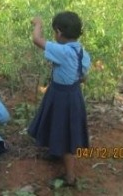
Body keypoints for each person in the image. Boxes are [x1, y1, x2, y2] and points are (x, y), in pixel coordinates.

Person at [28, 11, 91, 187]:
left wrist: (38, 24)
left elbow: (36, 40)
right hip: (73, 94)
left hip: (61, 96)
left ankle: (70, 177)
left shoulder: (62, 51)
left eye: (54, 33)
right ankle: (55, 152)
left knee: (65, 133)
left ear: (58, 32)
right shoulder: (81, 51)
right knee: (59, 126)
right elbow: (84, 77)